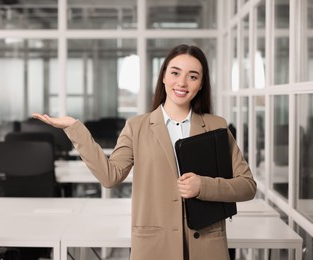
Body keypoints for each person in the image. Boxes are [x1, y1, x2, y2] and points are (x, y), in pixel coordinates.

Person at [33, 44, 256, 260]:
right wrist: (74, 128)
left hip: (206, 246)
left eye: (193, 76)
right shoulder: (136, 126)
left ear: (201, 84)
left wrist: (203, 186)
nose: (182, 82)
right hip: (155, 246)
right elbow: (110, 176)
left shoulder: (216, 125)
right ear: (163, 76)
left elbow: (247, 185)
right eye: (175, 73)